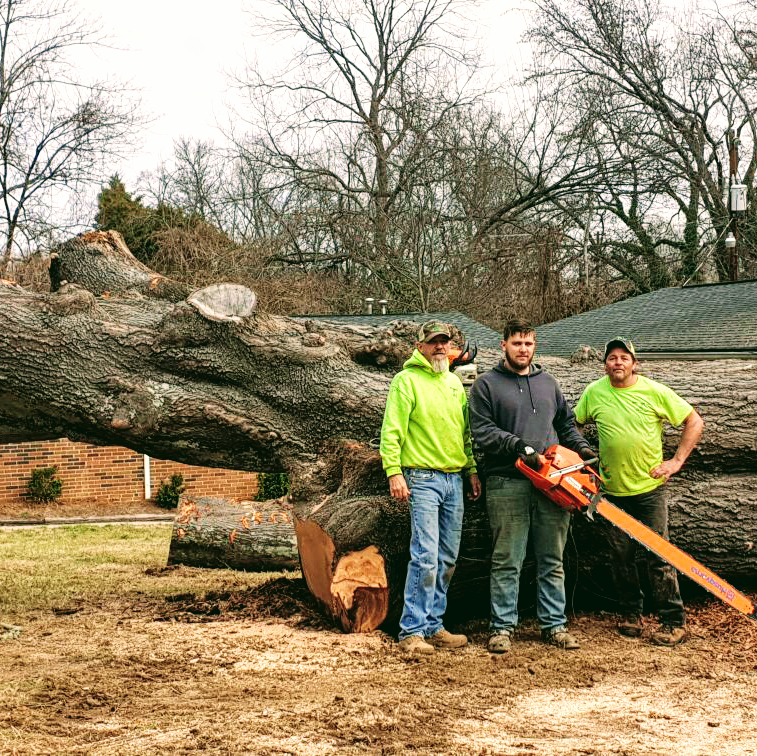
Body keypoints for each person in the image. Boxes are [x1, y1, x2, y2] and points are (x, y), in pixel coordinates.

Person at [469, 319, 595, 653]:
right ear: (504, 345)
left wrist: (581, 450)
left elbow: (565, 424)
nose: (523, 349)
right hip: (507, 481)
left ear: (534, 345)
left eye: (528, 343)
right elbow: (482, 431)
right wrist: (518, 446)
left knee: (552, 557)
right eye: (516, 343)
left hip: (554, 481)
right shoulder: (486, 385)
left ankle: (554, 624)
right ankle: (502, 628)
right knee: (507, 558)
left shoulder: (548, 383)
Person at [574, 337, 704, 646]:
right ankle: (630, 614)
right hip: (611, 491)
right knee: (621, 556)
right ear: (604, 363)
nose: (617, 362)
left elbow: (693, 421)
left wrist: (675, 462)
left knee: (659, 554)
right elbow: (573, 426)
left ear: (635, 363)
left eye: (624, 357)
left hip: (649, 490)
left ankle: (673, 620)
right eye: (612, 358)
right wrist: (581, 461)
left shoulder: (654, 391)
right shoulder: (594, 392)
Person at [380, 320, 481, 656]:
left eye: (445, 342)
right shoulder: (405, 381)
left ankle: (435, 625)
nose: (439, 347)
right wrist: (394, 472)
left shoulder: (454, 383)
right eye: (433, 342)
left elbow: (464, 433)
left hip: (454, 478)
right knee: (425, 557)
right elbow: (392, 429)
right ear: (420, 345)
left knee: (448, 557)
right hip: (421, 479)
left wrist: (471, 470)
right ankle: (411, 631)